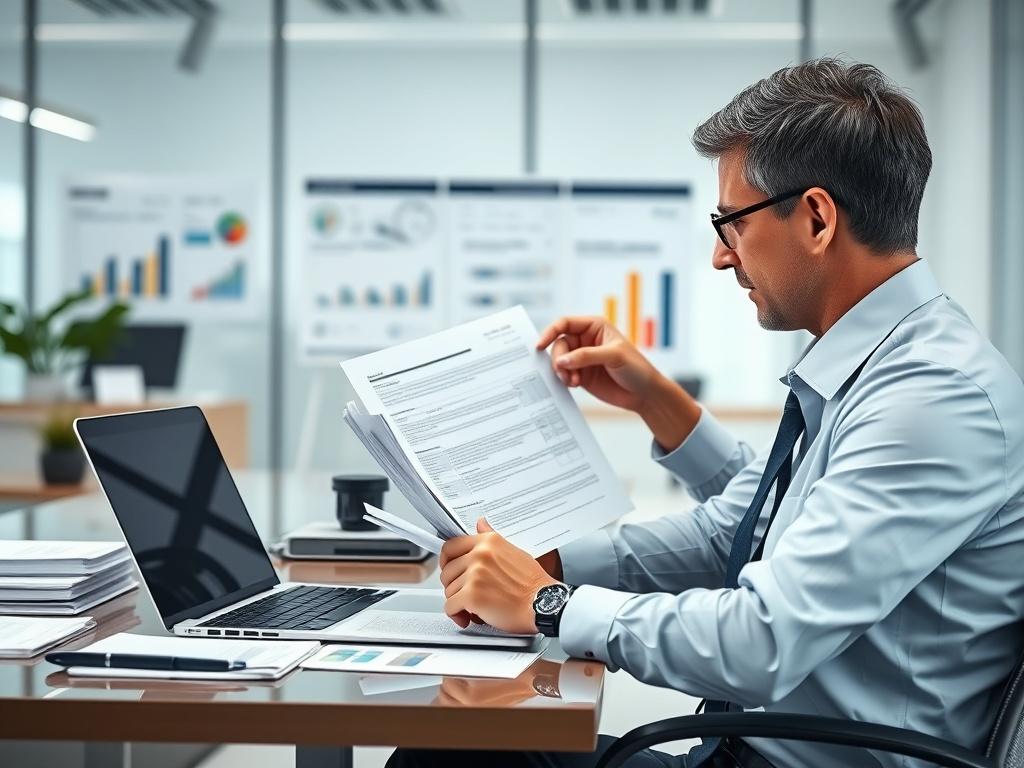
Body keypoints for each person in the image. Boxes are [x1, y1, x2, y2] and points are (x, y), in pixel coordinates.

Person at [388, 58, 1024, 768]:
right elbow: (744, 529)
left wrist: (549, 603)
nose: (722, 257)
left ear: (815, 217)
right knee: (466, 742)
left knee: (457, 751)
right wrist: (556, 556)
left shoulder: (932, 398)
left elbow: (763, 639)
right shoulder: (881, 365)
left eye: (733, 224)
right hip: (755, 752)